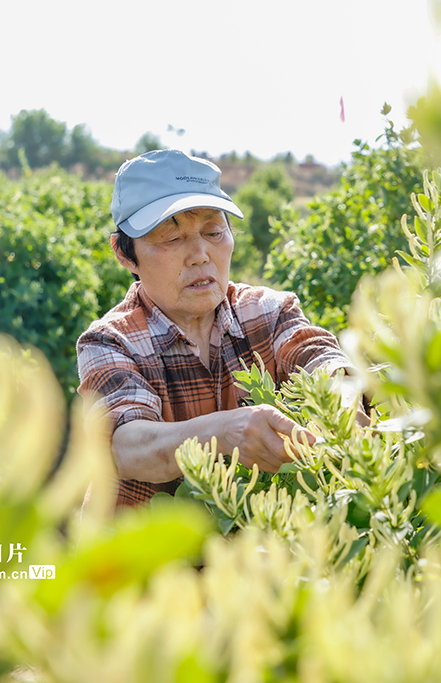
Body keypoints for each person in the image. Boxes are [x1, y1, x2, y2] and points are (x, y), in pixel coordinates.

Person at [77, 149, 358, 507]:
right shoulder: (110, 341)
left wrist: (343, 397)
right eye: (171, 238)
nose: (200, 255)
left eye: (213, 231)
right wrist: (223, 433)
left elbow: (318, 355)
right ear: (124, 253)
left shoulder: (267, 313)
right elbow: (126, 446)